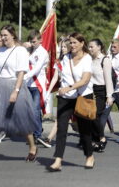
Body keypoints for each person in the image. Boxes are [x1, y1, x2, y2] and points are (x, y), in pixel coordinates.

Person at [48, 32, 95, 171]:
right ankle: (58, 160)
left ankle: (89, 156)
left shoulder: (87, 59)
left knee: (84, 130)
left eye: (75, 42)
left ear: (82, 43)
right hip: (65, 98)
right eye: (71, 42)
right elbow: (59, 75)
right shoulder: (65, 58)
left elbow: (85, 79)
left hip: (82, 97)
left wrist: (69, 87)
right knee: (62, 128)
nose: (72, 45)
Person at [0, 25, 38, 161]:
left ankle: (32, 147)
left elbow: (21, 73)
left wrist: (16, 91)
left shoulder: (20, 51)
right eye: (1, 35)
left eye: (5, 35)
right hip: (1, 86)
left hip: (16, 86)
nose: (3, 38)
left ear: (13, 35)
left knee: (22, 120)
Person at [100, 38, 119, 144]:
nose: (112, 49)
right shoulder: (108, 57)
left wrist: (112, 85)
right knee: (105, 112)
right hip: (109, 91)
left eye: (115, 47)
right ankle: (100, 135)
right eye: (112, 46)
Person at [43, 38, 71, 147]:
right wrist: (48, 91)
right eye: (61, 46)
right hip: (63, 93)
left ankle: (88, 138)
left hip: (75, 93)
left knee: (79, 121)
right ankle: (49, 138)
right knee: (60, 117)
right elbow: (55, 78)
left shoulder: (74, 60)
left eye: (64, 46)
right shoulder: (59, 62)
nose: (62, 49)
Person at [24, 30, 49, 147]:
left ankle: (38, 135)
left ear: (40, 40)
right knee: (32, 111)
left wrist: (24, 77)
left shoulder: (43, 53)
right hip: (29, 84)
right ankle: (37, 131)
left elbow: (36, 69)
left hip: (38, 85)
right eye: (31, 41)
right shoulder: (30, 51)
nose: (32, 43)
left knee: (35, 111)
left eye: (34, 41)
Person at [88, 39, 114, 151]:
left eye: (92, 47)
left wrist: (109, 95)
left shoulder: (105, 60)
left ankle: (100, 139)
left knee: (95, 114)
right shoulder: (89, 59)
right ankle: (96, 139)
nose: (90, 49)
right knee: (90, 116)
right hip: (90, 90)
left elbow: (108, 79)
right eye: (89, 47)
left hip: (101, 91)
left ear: (99, 47)